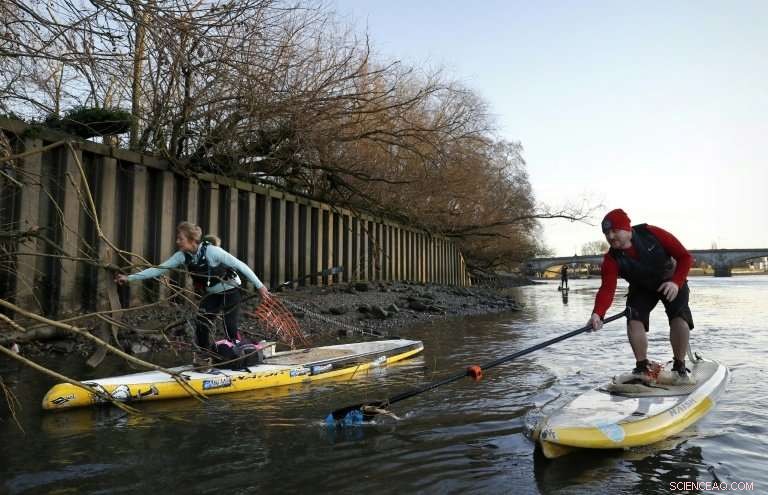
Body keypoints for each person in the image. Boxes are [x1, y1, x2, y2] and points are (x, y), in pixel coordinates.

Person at [115, 221, 270, 356]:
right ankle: (205, 355)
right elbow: (158, 269)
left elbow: (240, 265)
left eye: (180, 238)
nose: (177, 241)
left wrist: (260, 286)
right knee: (201, 323)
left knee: (229, 327)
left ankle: (243, 352)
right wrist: (128, 278)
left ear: (191, 240)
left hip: (230, 291)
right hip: (212, 295)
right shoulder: (182, 256)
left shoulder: (212, 251)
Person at [587, 209, 694, 384]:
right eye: (606, 233)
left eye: (614, 231)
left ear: (627, 228)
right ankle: (642, 367)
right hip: (642, 287)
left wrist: (676, 282)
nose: (610, 236)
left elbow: (685, 257)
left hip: (671, 281)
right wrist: (597, 314)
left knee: (679, 316)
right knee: (633, 317)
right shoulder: (611, 259)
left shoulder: (652, 233)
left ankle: (679, 367)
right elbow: (607, 289)